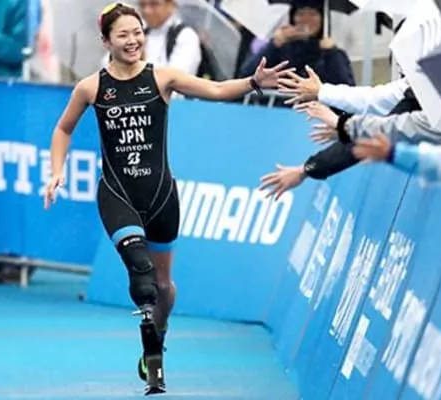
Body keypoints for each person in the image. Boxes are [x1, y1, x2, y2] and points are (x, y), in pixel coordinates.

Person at [40, 2, 289, 393]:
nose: (133, 40)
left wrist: (254, 82)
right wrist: (57, 171)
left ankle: (159, 331)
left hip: (161, 196)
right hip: (117, 194)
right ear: (106, 41)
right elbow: (63, 129)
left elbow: (217, 89)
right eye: (123, 35)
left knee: (163, 286)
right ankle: (151, 352)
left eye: (137, 32)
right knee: (142, 276)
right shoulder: (90, 87)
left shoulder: (163, 77)